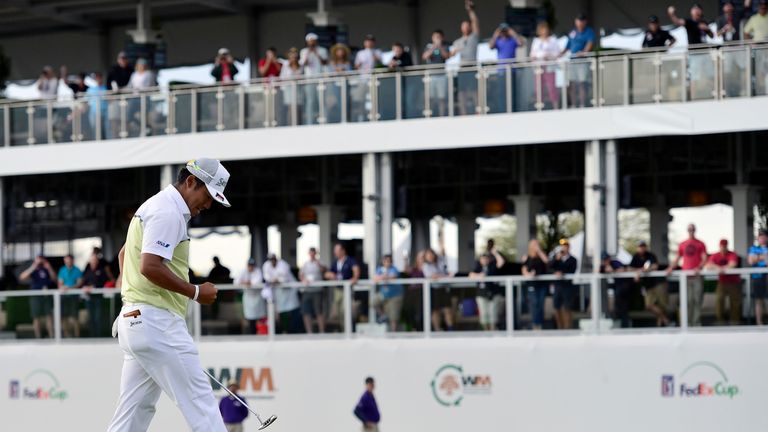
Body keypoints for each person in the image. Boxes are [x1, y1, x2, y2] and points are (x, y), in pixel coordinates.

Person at [107, 158, 232, 432]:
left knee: (131, 417)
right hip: (156, 323)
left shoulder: (155, 206)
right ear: (190, 182)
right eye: (208, 195)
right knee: (202, 408)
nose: (208, 205)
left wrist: (134, 296)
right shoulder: (168, 212)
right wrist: (196, 292)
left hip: (136, 321)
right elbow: (149, 265)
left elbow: (124, 255)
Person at [666, 223, 708, 326]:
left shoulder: (700, 243)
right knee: (687, 301)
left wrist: (699, 267)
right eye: (689, 229)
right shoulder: (682, 244)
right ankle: (687, 323)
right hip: (686, 277)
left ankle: (696, 322)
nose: (691, 231)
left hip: (697, 276)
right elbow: (677, 258)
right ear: (687, 230)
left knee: (697, 299)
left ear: (695, 230)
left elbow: (704, 258)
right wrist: (670, 268)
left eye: (692, 229)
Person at [451, 0, 480, 116]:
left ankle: (478, 110)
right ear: (461, 28)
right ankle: (464, 112)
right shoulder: (457, 42)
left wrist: (471, 10)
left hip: (472, 66)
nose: (466, 27)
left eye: (467, 25)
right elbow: (450, 55)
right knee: (462, 91)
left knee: (474, 90)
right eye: (464, 26)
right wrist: (455, 51)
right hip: (462, 67)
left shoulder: (474, 37)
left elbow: (475, 22)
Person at [629, 241, 669, 327]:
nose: (642, 248)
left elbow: (655, 266)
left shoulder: (650, 255)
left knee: (662, 305)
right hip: (648, 286)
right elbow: (630, 267)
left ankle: (661, 324)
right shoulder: (636, 256)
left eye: (643, 246)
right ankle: (664, 318)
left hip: (658, 283)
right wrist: (639, 270)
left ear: (646, 247)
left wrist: (645, 270)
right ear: (637, 248)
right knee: (648, 305)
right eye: (640, 246)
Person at [561, 14, 595, 108]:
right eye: (578, 20)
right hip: (572, 61)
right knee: (571, 83)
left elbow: (589, 44)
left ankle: (582, 104)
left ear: (585, 22)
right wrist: (559, 54)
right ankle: (573, 104)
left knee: (581, 83)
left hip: (582, 61)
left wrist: (584, 52)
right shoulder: (573, 32)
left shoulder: (589, 32)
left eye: (581, 20)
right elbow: (567, 46)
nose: (579, 22)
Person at [19, 255, 56, 338]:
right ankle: (38, 337)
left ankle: (51, 337)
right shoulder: (33, 269)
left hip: (46, 295)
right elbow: (22, 277)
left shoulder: (47, 268)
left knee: (49, 316)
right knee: (36, 317)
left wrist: (49, 267)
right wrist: (33, 266)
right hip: (36, 295)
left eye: (41, 259)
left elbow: (54, 279)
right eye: (38, 259)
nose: (40, 261)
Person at [706, 239, 741, 325]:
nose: (723, 248)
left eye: (725, 246)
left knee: (735, 301)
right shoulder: (715, 255)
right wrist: (718, 268)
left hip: (734, 281)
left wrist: (723, 268)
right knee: (719, 299)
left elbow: (733, 264)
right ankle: (720, 320)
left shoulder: (732, 254)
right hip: (722, 282)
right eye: (722, 246)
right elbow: (708, 265)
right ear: (719, 246)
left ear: (727, 246)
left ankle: (735, 320)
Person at [263, 253, 301, 334]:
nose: (272, 261)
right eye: (271, 260)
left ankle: (294, 331)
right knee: (279, 312)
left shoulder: (283, 264)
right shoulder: (266, 265)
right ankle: (282, 330)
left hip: (290, 291)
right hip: (279, 293)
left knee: (292, 311)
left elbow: (284, 278)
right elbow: (267, 278)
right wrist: (274, 280)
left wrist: (276, 280)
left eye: (273, 259)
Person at [324, 243, 361, 322]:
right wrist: (331, 275)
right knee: (337, 312)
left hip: (347, 289)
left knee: (345, 310)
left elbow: (356, 270)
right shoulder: (335, 262)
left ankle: (349, 330)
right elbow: (327, 274)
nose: (335, 252)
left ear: (343, 251)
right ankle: (342, 330)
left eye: (337, 250)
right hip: (338, 289)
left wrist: (354, 278)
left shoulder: (350, 260)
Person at [469, 250, 505, 331]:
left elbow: (501, 262)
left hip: (493, 293)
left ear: (489, 259)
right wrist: (479, 275)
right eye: (482, 258)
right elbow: (470, 275)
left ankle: (493, 330)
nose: (484, 260)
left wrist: (495, 253)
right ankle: (486, 331)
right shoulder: (478, 267)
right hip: (482, 294)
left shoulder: (492, 267)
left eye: (486, 258)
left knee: (493, 313)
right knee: (484, 314)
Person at [82, 252, 115, 337]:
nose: (94, 261)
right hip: (89, 298)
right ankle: (92, 336)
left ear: (97, 261)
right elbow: (83, 282)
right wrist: (85, 287)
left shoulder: (102, 270)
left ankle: (99, 336)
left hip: (99, 298)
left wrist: (94, 287)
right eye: (92, 259)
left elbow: (106, 282)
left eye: (95, 259)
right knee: (91, 318)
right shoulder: (87, 271)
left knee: (98, 318)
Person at [530, 21, 561, 110]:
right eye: (542, 29)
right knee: (538, 89)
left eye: (545, 29)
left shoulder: (553, 40)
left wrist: (549, 56)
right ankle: (540, 107)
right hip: (539, 67)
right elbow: (532, 55)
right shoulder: (536, 41)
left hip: (550, 67)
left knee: (551, 87)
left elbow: (557, 53)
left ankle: (555, 107)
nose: (544, 31)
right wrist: (538, 57)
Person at [300, 32, 329, 125]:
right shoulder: (304, 51)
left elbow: (325, 62)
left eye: (313, 41)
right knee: (310, 101)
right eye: (310, 41)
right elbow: (303, 64)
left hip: (320, 79)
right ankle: (310, 122)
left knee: (321, 100)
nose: (311, 43)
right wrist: (309, 53)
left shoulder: (322, 50)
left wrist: (316, 53)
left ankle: (324, 119)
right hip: (309, 80)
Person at [421, 30, 450, 117]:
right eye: (435, 37)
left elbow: (447, 56)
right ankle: (430, 115)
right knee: (430, 98)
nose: (437, 39)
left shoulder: (445, 46)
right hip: (431, 76)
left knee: (442, 98)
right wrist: (434, 47)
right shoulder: (429, 47)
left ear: (442, 38)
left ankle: (442, 115)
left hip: (442, 75)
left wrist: (440, 47)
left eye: (438, 37)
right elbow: (424, 56)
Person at [551, 239, 578, 330]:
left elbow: (572, 271)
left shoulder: (573, 259)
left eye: (566, 246)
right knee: (557, 307)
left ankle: (568, 328)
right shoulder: (556, 258)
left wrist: (562, 273)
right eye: (562, 246)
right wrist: (557, 259)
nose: (564, 248)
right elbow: (550, 267)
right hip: (558, 286)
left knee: (567, 307)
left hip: (567, 287)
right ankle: (560, 328)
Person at [522, 239, 549, 330]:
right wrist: (529, 274)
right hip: (532, 285)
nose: (535, 246)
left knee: (540, 305)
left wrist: (539, 251)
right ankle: (535, 325)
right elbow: (524, 269)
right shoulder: (527, 257)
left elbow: (546, 261)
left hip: (542, 285)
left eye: (537, 244)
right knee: (534, 304)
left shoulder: (542, 255)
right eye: (533, 244)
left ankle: (540, 324)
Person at [423, 247, 452, 331]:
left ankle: (451, 329)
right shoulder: (426, 266)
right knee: (436, 311)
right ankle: (437, 329)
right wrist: (445, 277)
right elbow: (433, 276)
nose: (430, 256)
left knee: (447, 310)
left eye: (431, 254)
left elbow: (446, 271)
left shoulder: (440, 262)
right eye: (428, 255)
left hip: (444, 288)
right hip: (434, 290)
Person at [300, 247, 328, 333]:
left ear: (316, 254)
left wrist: (318, 264)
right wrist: (304, 280)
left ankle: (322, 331)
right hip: (307, 290)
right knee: (306, 311)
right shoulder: (305, 264)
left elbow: (325, 271)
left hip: (317, 291)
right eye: (310, 253)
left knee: (318, 311)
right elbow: (301, 275)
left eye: (313, 253)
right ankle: (309, 332)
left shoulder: (320, 262)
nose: (312, 255)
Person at [373, 254, 404, 332]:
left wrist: (383, 277)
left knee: (393, 315)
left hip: (395, 295)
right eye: (385, 261)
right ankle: (383, 316)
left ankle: (393, 332)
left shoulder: (394, 269)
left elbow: (393, 276)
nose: (387, 263)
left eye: (389, 261)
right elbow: (375, 278)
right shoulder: (380, 269)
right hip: (384, 294)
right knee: (374, 302)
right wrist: (383, 277)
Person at [236, 258, 266, 334]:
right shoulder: (243, 271)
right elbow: (236, 282)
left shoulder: (258, 271)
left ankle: (261, 333)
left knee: (260, 318)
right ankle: (253, 334)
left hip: (257, 298)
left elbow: (257, 282)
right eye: (249, 265)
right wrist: (245, 282)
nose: (251, 267)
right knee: (250, 319)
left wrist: (248, 282)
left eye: (252, 265)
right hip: (248, 298)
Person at [58, 254, 83, 338]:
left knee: (74, 316)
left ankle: (77, 335)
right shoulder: (62, 270)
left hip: (74, 296)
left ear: (72, 260)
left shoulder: (77, 270)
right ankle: (66, 335)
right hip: (64, 296)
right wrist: (63, 287)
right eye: (66, 260)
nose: (68, 262)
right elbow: (60, 283)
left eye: (69, 260)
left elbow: (79, 283)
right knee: (64, 316)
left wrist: (70, 288)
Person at [748, 229, 768, 325]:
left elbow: (755, 259)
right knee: (759, 300)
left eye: (764, 236)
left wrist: (758, 257)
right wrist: (764, 256)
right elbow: (751, 261)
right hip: (758, 277)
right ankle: (759, 322)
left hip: (766, 277)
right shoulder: (753, 248)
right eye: (760, 236)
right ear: (758, 238)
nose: (762, 238)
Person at [278, 47, 302, 125]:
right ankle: (290, 124)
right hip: (288, 90)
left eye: (295, 53)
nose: (293, 55)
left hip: (298, 90)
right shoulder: (285, 65)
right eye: (291, 53)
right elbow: (282, 77)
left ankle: (298, 124)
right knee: (290, 108)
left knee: (298, 108)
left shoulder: (300, 65)